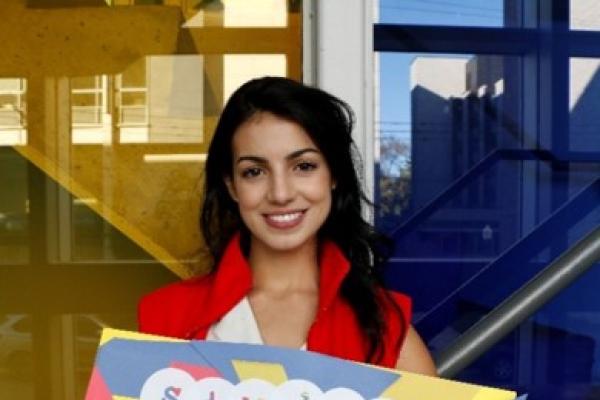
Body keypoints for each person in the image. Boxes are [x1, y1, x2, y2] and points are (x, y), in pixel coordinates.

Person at [138, 76, 436, 375]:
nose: (280, 194)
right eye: (254, 171)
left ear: (333, 175)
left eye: (304, 166)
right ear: (231, 186)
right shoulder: (164, 317)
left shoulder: (385, 328)